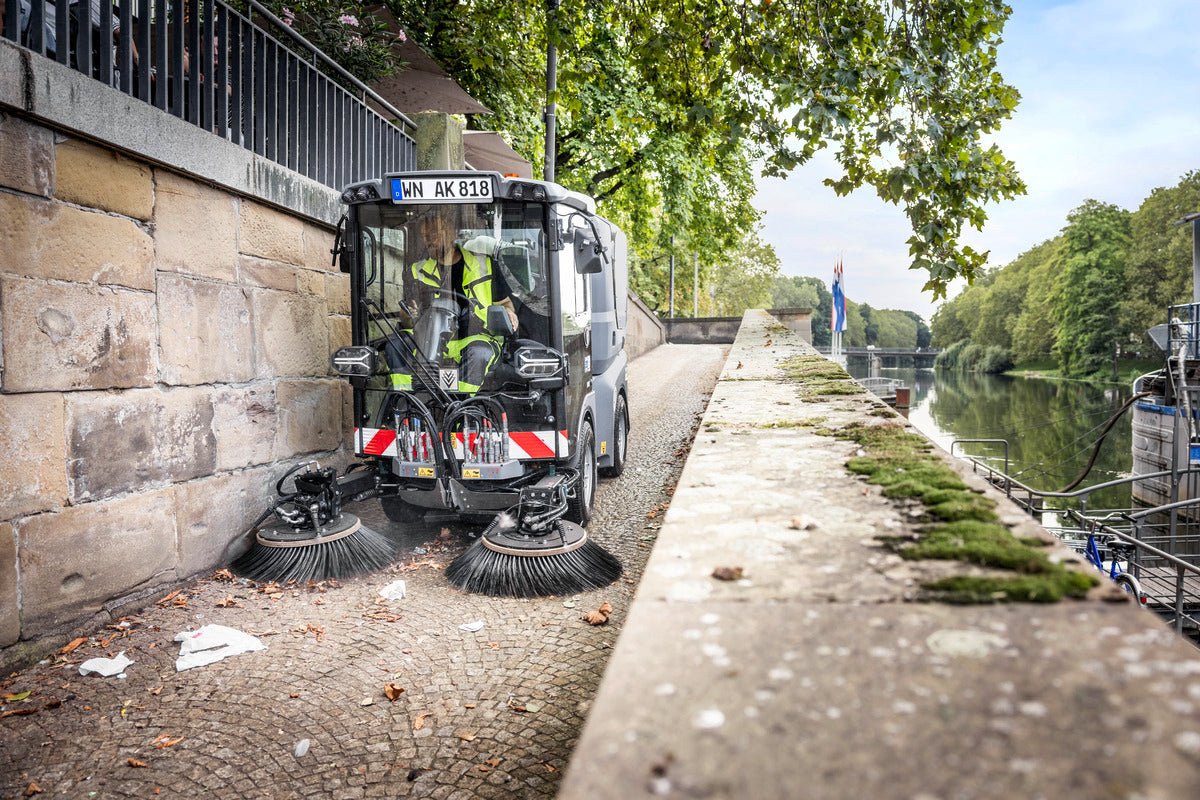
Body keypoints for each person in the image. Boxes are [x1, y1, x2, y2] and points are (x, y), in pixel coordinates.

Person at [387, 207, 514, 394]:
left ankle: (462, 408)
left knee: (478, 355)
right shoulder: (416, 271)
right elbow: (407, 316)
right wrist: (408, 315)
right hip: (427, 340)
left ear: (452, 233)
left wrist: (509, 312)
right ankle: (405, 404)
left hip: (474, 338)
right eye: (425, 236)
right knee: (395, 346)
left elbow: (505, 304)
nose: (429, 240)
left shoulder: (485, 265)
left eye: (434, 234)